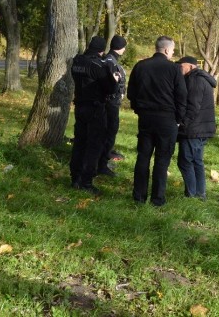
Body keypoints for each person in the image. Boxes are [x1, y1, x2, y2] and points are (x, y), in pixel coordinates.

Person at [127, 36, 187, 206]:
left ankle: (139, 196)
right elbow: (182, 96)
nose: (173, 53)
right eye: (173, 50)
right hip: (167, 119)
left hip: (145, 118)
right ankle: (157, 199)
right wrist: (178, 119)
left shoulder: (140, 66)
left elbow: (131, 93)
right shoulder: (174, 69)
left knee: (143, 157)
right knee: (162, 160)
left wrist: (139, 110)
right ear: (167, 50)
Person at [69, 36, 120, 196]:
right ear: (101, 50)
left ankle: (75, 178)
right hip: (95, 108)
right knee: (94, 145)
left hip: (80, 106)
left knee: (79, 143)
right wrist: (115, 80)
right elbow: (110, 88)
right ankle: (86, 181)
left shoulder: (77, 61)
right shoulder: (98, 65)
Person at [176, 56, 217, 199]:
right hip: (202, 128)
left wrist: (182, 124)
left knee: (185, 161)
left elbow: (193, 107)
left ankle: (192, 194)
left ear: (191, 67)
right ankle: (200, 194)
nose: (179, 68)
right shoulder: (201, 78)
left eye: (181, 66)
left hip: (193, 129)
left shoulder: (195, 80)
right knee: (197, 161)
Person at [97, 35, 128, 176]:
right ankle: (102, 164)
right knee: (109, 133)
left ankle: (102, 160)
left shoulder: (109, 59)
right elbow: (110, 83)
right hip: (110, 103)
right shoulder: (110, 61)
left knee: (106, 133)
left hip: (109, 101)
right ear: (122, 48)